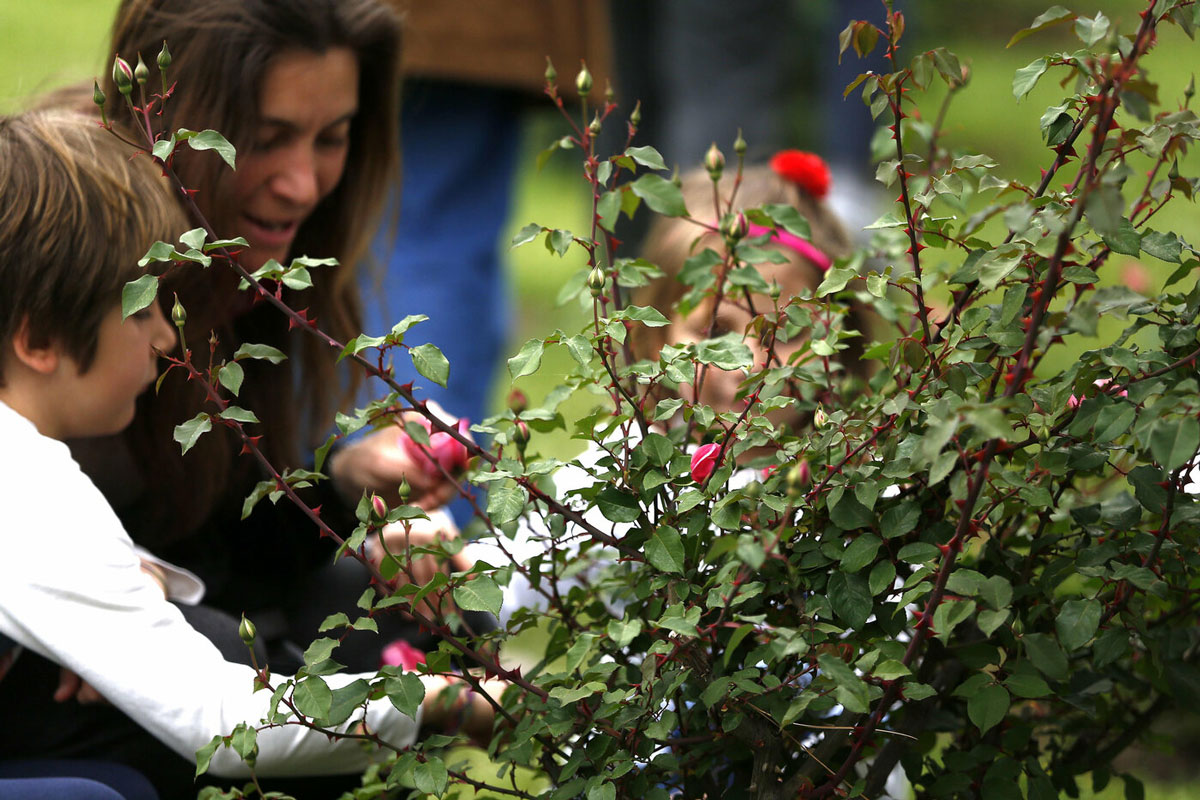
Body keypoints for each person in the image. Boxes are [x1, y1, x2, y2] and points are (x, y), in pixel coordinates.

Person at [0, 110, 493, 798]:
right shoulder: (29, 490)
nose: (165, 341)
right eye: (141, 311)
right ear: (40, 341)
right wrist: (443, 702)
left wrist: (138, 584)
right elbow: (220, 723)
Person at [67, 0, 459, 672]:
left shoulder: (254, 270)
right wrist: (106, 585)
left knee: (433, 608)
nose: (302, 184)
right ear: (168, 114)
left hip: (171, 618)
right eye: (263, 137)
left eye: (331, 138)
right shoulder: (56, 237)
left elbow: (213, 538)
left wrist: (340, 490)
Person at [469, 150, 862, 620]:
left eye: (788, 329)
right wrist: (451, 569)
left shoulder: (853, 482)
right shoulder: (631, 472)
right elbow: (517, 568)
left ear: (835, 342)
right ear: (657, 343)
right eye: (715, 330)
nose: (750, 364)